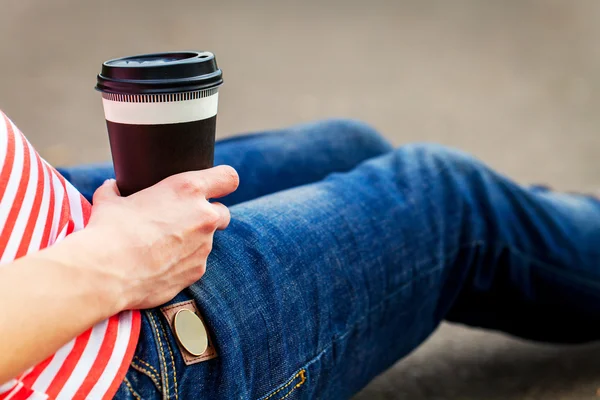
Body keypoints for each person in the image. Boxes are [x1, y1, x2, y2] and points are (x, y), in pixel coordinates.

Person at [0, 110, 599, 400]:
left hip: (47, 228)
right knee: (447, 198)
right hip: (97, 358)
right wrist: (119, 257)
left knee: (346, 146)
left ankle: (552, 228)